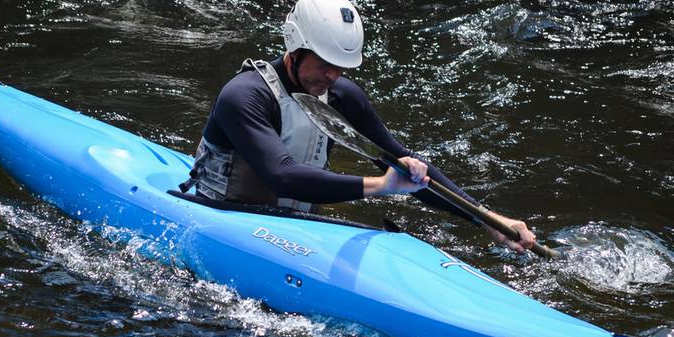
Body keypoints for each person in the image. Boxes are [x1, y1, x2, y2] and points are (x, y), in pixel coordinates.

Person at [189, 0, 535, 253]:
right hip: (226, 217)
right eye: (325, 64)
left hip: (295, 228)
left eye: (341, 67)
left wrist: (489, 221)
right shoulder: (244, 95)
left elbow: (400, 160)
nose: (333, 76)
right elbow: (284, 175)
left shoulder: (342, 97)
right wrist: (382, 186)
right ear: (295, 48)